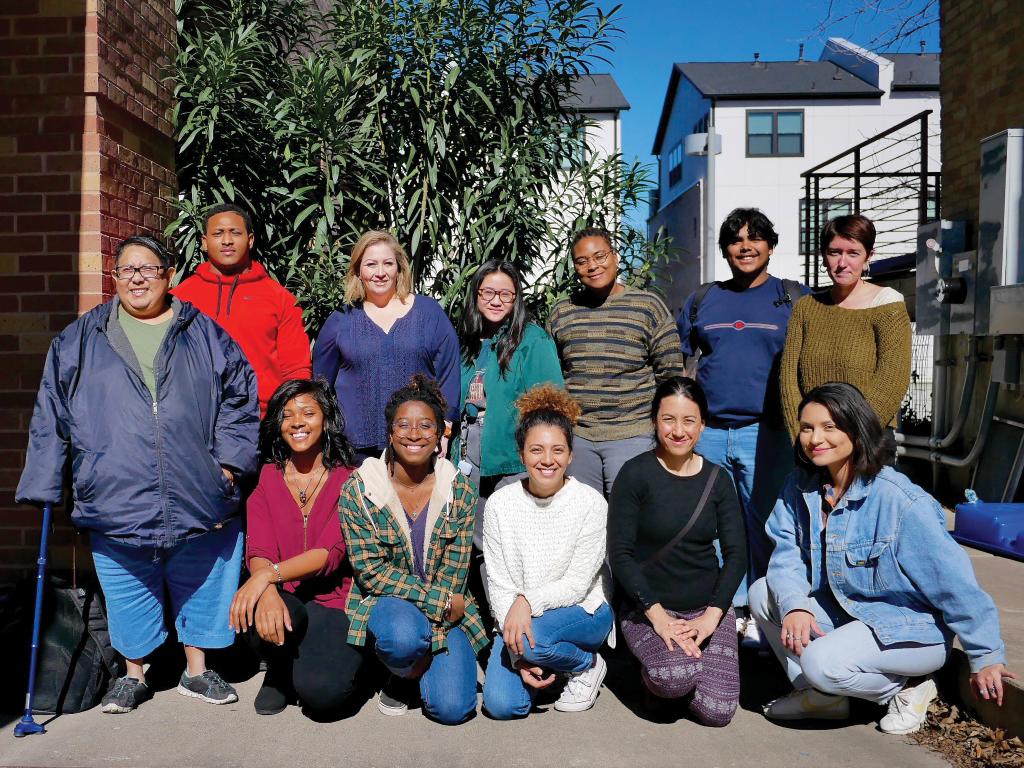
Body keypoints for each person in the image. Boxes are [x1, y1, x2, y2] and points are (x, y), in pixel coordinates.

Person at [16, 235, 259, 714]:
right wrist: (47, 481)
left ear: (169, 276)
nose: (137, 279)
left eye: (148, 269)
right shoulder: (79, 339)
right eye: (127, 270)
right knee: (127, 584)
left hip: (198, 487)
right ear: (114, 278)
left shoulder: (205, 334)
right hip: (113, 489)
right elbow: (51, 414)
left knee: (203, 576)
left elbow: (240, 399)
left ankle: (197, 668)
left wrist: (229, 465)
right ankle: (134, 674)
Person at [751, 382, 1016, 734]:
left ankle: (907, 687)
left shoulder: (899, 501)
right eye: (807, 428)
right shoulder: (799, 486)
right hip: (849, 615)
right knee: (763, 592)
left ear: (856, 429)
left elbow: (954, 583)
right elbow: (787, 557)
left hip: (910, 630)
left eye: (830, 427)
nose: (816, 438)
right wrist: (796, 605)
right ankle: (824, 696)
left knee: (819, 661)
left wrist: (985, 656)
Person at [676, 208, 808, 646]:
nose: (745, 246)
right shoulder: (703, 300)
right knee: (713, 524)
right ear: (725, 249)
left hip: (766, 432)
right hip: (709, 432)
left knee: (769, 524)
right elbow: (679, 358)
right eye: (736, 240)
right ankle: (727, 610)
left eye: (755, 239)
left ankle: (766, 611)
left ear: (771, 246)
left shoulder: (793, 298)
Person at [339, 375, 486, 724]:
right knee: (404, 636)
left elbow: (454, 572)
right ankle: (399, 665)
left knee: (453, 708)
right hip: (388, 602)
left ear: (440, 434)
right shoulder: (360, 491)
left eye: (425, 425)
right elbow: (371, 572)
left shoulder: (459, 491)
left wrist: (440, 613)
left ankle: (411, 671)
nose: (414, 433)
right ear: (390, 433)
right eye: (403, 425)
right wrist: (437, 603)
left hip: (446, 608)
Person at [609, 376, 746, 726]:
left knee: (718, 711)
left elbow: (736, 554)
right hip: (650, 609)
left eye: (689, 421)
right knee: (672, 679)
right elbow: (620, 554)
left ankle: (687, 668)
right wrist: (658, 616)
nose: (679, 431)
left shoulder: (718, 480)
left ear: (703, 424)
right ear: (655, 420)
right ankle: (657, 676)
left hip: (706, 609)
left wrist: (711, 617)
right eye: (669, 419)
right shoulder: (635, 474)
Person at [228, 378, 364, 717]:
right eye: (287, 415)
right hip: (285, 594)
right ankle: (279, 668)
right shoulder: (267, 476)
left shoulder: (350, 478)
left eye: (308, 413)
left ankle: (353, 665)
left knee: (324, 696)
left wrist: (264, 578)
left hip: (333, 600)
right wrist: (268, 589)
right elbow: (258, 547)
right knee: (258, 608)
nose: (298, 422)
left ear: (326, 419)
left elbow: (328, 554)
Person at [482, 385, 613, 719]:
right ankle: (550, 660)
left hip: (584, 610)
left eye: (558, 450)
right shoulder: (500, 503)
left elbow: (578, 583)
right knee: (501, 705)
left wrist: (527, 603)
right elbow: (498, 582)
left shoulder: (590, 503)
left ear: (570, 455)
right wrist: (517, 653)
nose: (547, 460)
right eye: (536, 450)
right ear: (522, 454)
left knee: (533, 640)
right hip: (522, 620)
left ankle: (587, 664)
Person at [453, 259, 564, 611]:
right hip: (470, 466)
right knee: (484, 550)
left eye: (506, 293)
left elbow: (551, 405)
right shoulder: (467, 342)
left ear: (517, 298)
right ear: (475, 295)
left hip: (511, 464)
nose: (497, 300)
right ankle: (502, 625)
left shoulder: (532, 340)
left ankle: (526, 627)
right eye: (488, 292)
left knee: (516, 552)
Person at [547, 226, 685, 497]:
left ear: (615, 256)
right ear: (574, 267)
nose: (593, 266)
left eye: (600, 256)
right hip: (579, 437)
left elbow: (670, 376)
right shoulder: (563, 312)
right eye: (582, 261)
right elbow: (554, 376)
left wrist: (664, 429)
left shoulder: (648, 306)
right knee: (584, 521)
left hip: (633, 434)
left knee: (629, 521)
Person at [314, 231, 460, 463]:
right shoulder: (341, 320)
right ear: (358, 272)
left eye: (388, 263)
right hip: (356, 452)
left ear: (399, 269)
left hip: (418, 444)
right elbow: (320, 386)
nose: (380, 273)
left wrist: (445, 430)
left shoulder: (429, 313)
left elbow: (449, 374)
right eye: (371, 264)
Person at [173, 203, 312, 417]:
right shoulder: (180, 299)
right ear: (204, 242)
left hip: (261, 421)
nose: (227, 240)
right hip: (193, 419)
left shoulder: (280, 299)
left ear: (250, 240)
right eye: (218, 233)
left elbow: (296, 370)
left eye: (235, 233)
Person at [780, 214, 911, 438]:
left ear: (868, 257)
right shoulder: (806, 308)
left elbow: (892, 381)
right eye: (834, 253)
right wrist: (801, 434)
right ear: (823, 257)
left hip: (869, 439)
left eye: (853, 253)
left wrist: (852, 436)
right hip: (814, 442)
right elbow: (789, 379)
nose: (842, 263)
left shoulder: (887, 304)